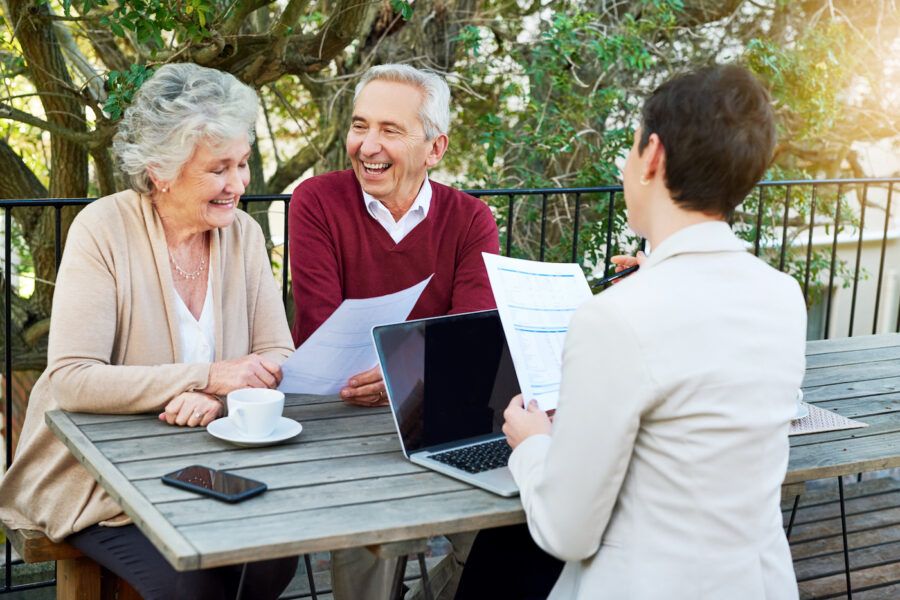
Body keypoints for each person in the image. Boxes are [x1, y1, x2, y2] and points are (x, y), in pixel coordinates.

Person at [497, 64, 806, 599]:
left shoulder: (615, 317)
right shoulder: (783, 295)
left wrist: (532, 447)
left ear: (653, 156)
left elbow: (566, 531)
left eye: (631, 148)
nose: (625, 163)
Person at [0, 63, 298, 600]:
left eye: (243, 164)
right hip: (100, 475)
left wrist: (215, 395)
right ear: (161, 171)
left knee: (275, 561)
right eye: (218, 169)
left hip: (209, 465)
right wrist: (207, 374)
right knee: (193, 586)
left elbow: (276, 353)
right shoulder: (103, 229)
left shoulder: (245, 236)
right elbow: (72, 379)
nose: (238, 184)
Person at [288, 63, 499, 408]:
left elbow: (470, 331)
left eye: (390, 131)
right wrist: (411, 366)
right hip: (332, 402)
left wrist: (403, 375)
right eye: (360, 126)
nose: (368, 147)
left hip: (430, 402)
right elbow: (321, 328)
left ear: (435, 149)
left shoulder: (471, 219)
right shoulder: (317, 200)